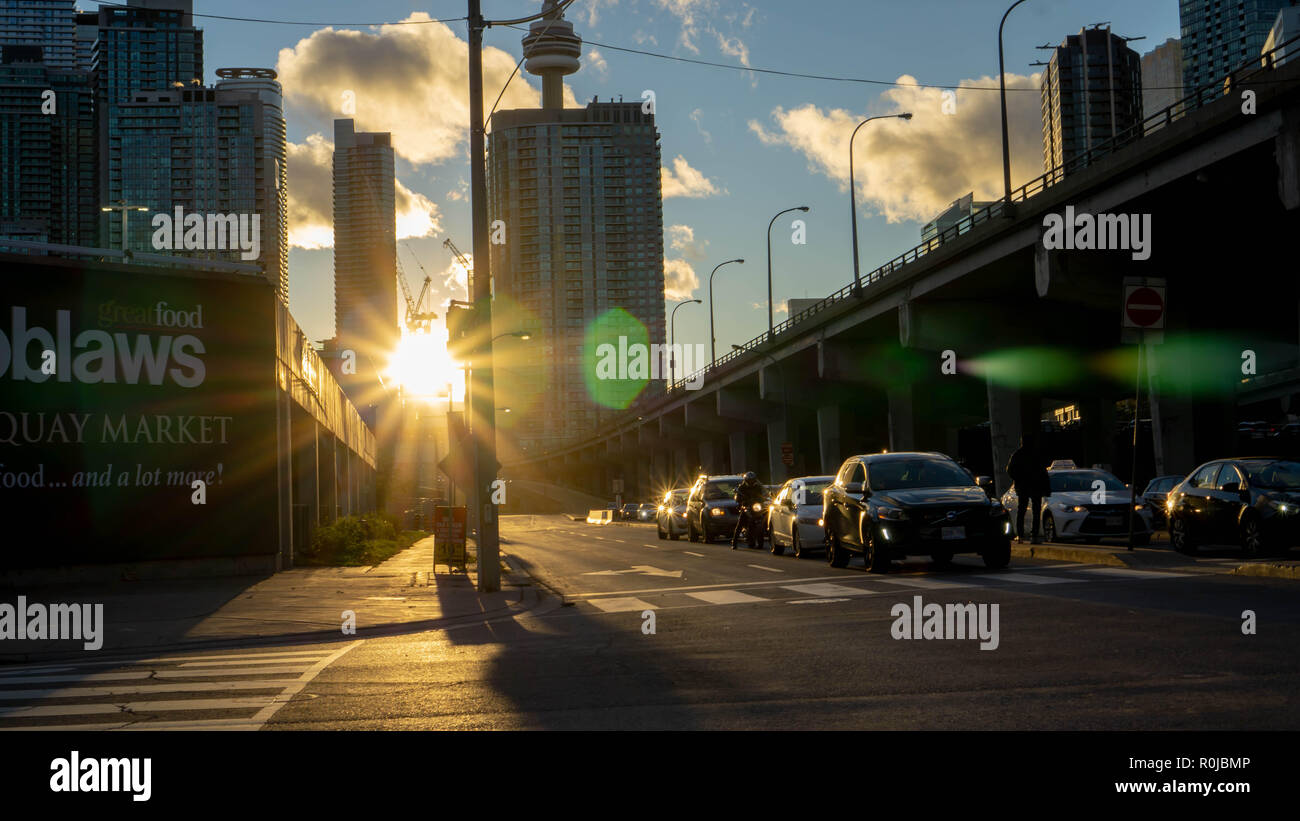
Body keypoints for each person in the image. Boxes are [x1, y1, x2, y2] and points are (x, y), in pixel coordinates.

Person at [1006, 434, 1051, 544]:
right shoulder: (1036, 454)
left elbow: (1010, 470)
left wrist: (1018, 479)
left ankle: (1021, 536)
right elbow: (1044, 473)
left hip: (1023, 487)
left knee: (1022, 510)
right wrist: (1046, 488)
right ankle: (1034, 536)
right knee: (1036, 511)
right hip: (1035, 486)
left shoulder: (1017, 455)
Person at [731, 471, 765, 549]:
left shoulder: (758, 487)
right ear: (746, 480)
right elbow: (737, 497)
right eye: (750, 480)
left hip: (756, 506)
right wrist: (741, 500)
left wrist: (764, 498)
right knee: (740, 524)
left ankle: (762, 541)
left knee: (763, 519)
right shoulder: (741, 487)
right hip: (746, 506)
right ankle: (734, 542)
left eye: (752, 480)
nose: (751, 481)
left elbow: (762, 495)